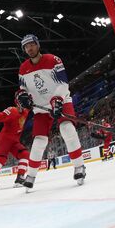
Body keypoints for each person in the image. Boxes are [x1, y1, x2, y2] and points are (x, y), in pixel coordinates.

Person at [17, 34, 86, 190]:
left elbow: (63, 84)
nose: (29, 48)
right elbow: (22, 90)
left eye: (32, 45)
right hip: (41, 107)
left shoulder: (53, 60)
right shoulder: (23, 69)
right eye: (26, 46)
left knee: (67, 128)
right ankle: (31, 175)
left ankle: (79, 166)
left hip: (61, 100)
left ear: (38, 45)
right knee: (39, 141)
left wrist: (57, 99)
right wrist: (22, 97)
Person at [0, 92, 30, 190]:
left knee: (25, 154)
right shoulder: (12, 110)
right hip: (4, 139)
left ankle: (20, 178)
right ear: (18, 101)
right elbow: (0, 115)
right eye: (23, 99)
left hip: (15, 141)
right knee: (1, 159)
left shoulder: (26, 111)